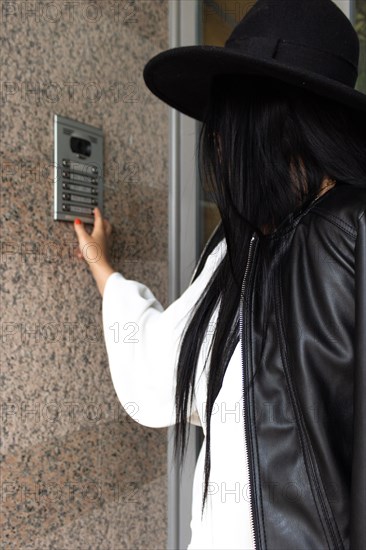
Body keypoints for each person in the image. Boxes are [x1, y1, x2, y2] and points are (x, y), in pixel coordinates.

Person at [74, 0, 366, 548]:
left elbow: (154, 381)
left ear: (261, 124)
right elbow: (163, 376)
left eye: (225, 120)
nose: (219, 144)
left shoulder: (343, 233)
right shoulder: (245, 246)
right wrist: (102, 267)